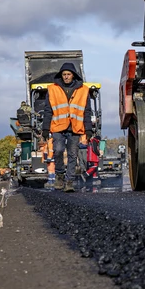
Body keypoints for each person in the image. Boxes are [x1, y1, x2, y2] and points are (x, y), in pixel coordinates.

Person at [41, 63, 93, 192]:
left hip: (75, 128)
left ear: (73, 75)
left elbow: (87, 111)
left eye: (68, 74)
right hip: (58, 127)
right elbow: (48, 110)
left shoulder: (83, 90)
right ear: (61, 75)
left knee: (72, 155)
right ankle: (59, 175)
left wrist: (88, 129)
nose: (66, 77)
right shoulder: (52, 89)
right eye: (64, 74)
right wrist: (45, 128)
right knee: (58, 150)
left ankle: (69, 182)